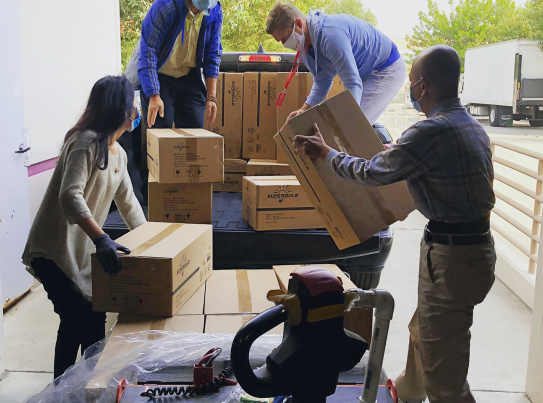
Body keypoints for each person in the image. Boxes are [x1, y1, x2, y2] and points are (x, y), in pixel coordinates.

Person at [293, 46, 496, 403]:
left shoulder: (429, 132)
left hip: (451, 260)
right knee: (425, 330)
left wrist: (325, 153)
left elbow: (371, 174)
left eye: (412, 83)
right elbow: (429, 168)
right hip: (476, 254)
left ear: (421, 85)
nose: (411, 91)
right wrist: (395, 153)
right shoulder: (471, 126)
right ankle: (407, 391)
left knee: (445, 374)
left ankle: (430, 391)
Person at [22, 76, 146, 379]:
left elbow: (129, 204)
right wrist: (102, 238)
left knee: (94, 320)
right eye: (134, 103)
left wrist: (154, 245)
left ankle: (91, 386)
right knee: (75, 319)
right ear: (120, 107)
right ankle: (61, 393)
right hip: (52, 250)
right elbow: (69, 194)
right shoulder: (86, 141)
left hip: (81, 252)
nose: (138, 109)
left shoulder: (118, 153)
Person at [266, 1, 406, 125]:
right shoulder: (305, 47)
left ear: (298, 24)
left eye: (285, 38)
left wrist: (346, 122)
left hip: (385, 68)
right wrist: (303, 110)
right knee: (346, 128)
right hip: (365, 72)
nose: (285, 44)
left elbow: (352, 83)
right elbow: (322, 81)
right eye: (281, 42)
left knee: (355, 127)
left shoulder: (330, 36)